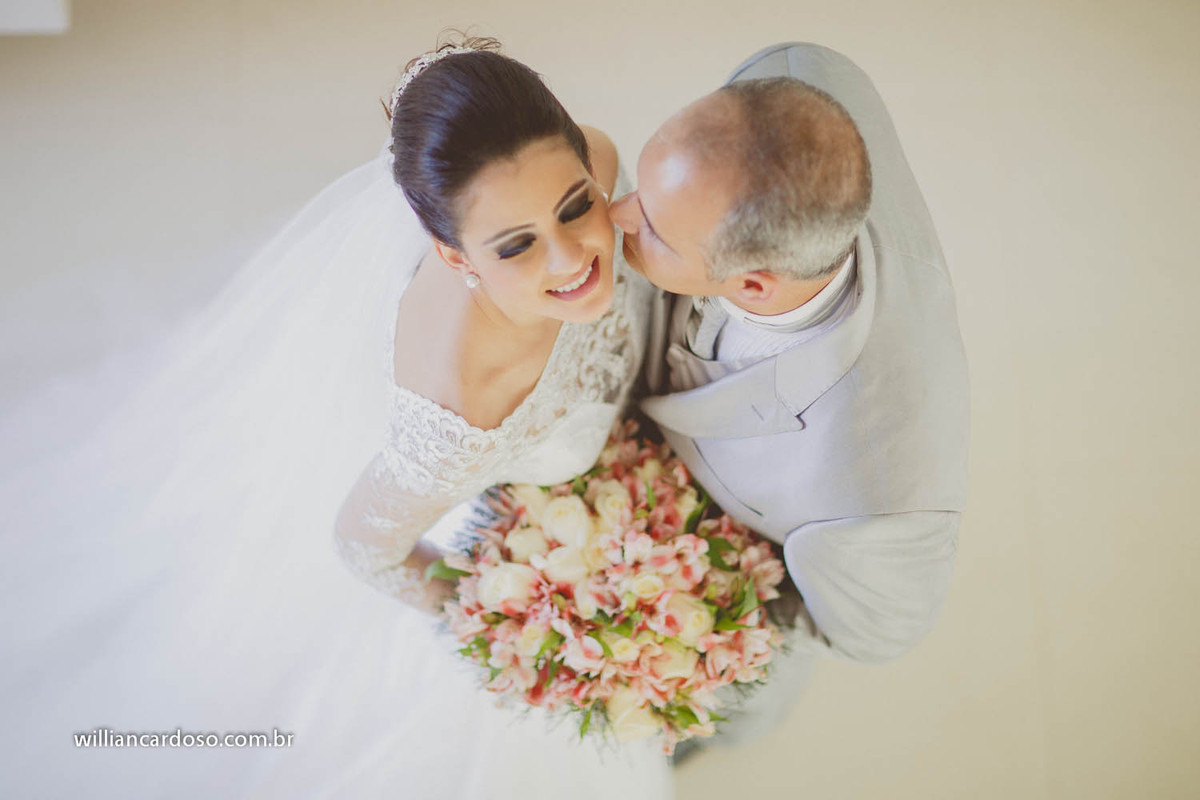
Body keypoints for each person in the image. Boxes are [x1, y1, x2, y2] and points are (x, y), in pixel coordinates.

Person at [0, 37, 671, 798]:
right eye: (516, 246)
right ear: (456, 259)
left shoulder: (598, 156)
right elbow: (364, 547)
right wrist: (526, 618)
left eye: (576, 205)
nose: (571, 258)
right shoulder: (461, 413)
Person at [610, 42, 970, 755]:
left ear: (753, 287)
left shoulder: (876, 498)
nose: (618, 212)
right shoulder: (803, 71)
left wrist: (697, 602)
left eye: (654, 227)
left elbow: (878, 633)